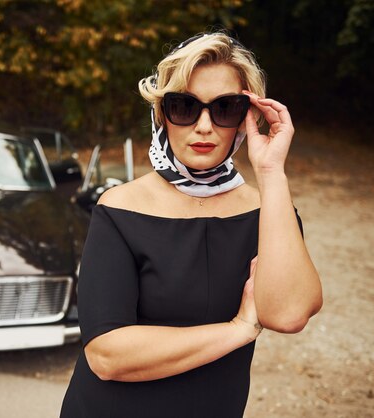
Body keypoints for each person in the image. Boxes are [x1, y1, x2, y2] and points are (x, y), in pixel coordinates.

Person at [60, 31, 323, 417]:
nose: (204, 126)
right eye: (184, 106)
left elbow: (288, 314)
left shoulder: (267, 209)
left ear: (246, 118)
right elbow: (106, 355)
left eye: (225, 108)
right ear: (162, 115)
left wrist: (271, 173)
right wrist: (238, 329)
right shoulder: (119, 208)